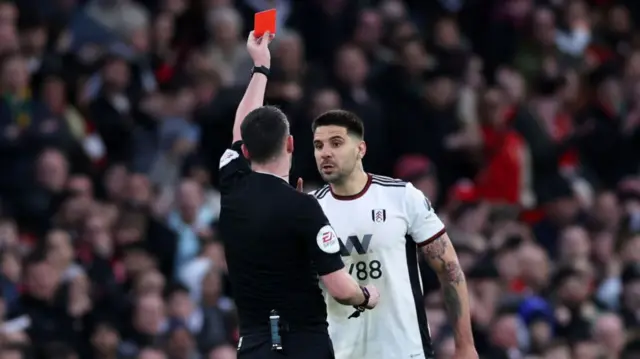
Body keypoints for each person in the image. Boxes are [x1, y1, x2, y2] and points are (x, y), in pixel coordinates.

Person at [217, 32, 380, 359]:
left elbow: (240, 127)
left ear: (246, 150)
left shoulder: (231, 183)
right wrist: (366, 295)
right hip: (303, 345)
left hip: (254, 345)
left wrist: (260, 67)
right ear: (290, 144)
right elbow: (340, 289)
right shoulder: (304, 208)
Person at [308, 110, 478, 359]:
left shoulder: (402, 197)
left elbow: (449, 269)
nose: (326, 153)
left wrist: (465, 345)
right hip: (339, 352)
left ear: (360, 149)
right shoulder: (308, 209)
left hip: (404, 352)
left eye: (336, 143)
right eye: (318, 145)